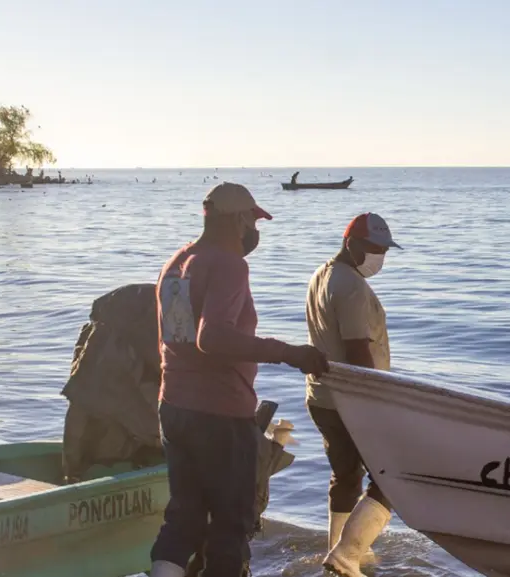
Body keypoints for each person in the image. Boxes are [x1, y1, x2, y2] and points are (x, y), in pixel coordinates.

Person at [149, 182, 330, 577]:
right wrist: (290, 353)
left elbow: (181, 340)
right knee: (231, 525)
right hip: (219, 414)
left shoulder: (177, 262)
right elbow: (211, 338)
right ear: (235, 219)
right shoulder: (229, 264)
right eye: (252, 219)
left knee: (184, 517)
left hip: (174, 407)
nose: (254, 230)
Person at [305, 212, 401, 577]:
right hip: (352, 400)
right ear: (352, 245)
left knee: (345, 476)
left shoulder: (322, 274)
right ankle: (348, 554)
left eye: (385, 250)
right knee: (392, 477)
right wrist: (377, 403)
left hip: (322, 397)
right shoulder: (350, 286)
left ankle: (338, 550)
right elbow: (357, 350)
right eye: (374, 248)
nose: (380, 256)